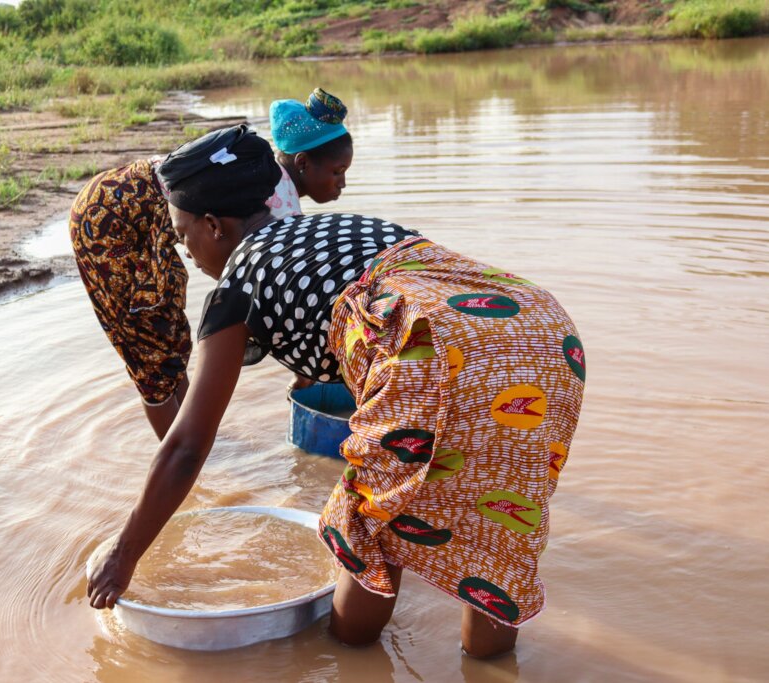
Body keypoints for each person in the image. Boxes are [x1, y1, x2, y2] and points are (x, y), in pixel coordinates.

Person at [85, 126, 585, 658]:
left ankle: (347, 660)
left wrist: (123, 555)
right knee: (497, 537)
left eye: (184, 235)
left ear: (212, 225)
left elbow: (186, 447)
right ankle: (489, 666)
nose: (187, 252)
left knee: (368, 525)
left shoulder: (237, 287)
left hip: (431, 347)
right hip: (541, 330)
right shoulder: (339, 228)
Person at [69, 88, 352, 438]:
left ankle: (198, 452)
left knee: (172, 338)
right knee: (148, 354)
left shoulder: (273, 185)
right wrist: (303, 374)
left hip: (142, 216)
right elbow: (273, 301)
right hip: (109, 219)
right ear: (303, 164)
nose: (342, 183)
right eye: (338, 171)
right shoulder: (277, 207)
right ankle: (184, 458)